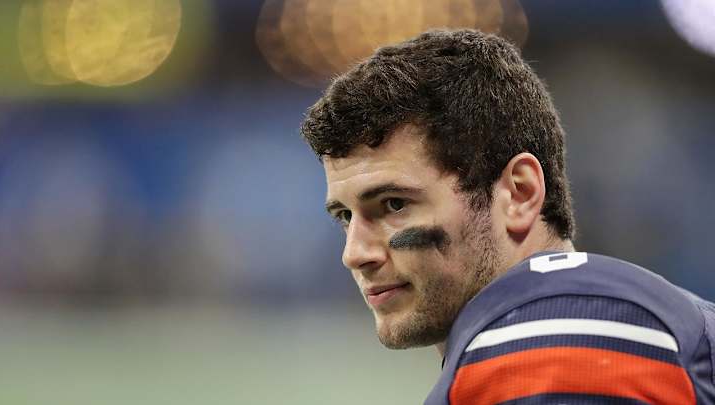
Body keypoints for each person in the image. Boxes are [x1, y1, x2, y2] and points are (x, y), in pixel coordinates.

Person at [299, 29, 715, 404]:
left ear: (519, 193)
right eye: (345, 216)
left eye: (394, 204)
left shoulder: (550, 341)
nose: (355, 254)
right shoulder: (657, 317)